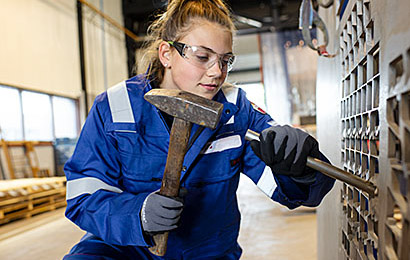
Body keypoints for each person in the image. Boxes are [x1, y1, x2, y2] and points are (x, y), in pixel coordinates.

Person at [63, 0, 335, 259]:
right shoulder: (114, 105)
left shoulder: (234, 108)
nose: (217, 71)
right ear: (167, 53)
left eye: (225, 60)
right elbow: (82, 196)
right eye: (203, 56)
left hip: (208, 252)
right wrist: (139, 214)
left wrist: (298, 167)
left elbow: (290, 189)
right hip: (128, 249)